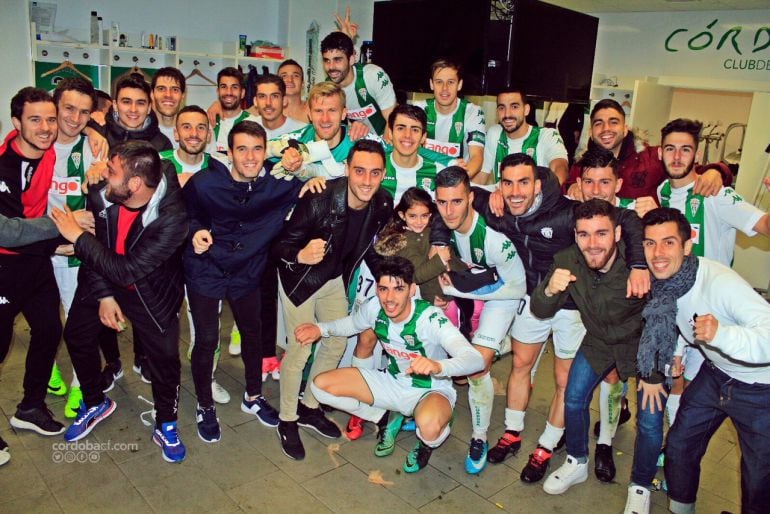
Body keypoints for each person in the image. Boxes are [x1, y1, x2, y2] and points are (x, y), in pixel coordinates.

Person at [432, 153, 649, 483]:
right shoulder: (494, 204)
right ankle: (513, 432)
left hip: (572, 305)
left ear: (537, 184)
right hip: (532, 300)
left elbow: (626, 221)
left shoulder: (566, 211)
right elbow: (448, 205)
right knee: (521, 365)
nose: (515, 191)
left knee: (564, 380)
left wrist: (638, 265)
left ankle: (547, 445)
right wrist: (438, 239)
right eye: (508, 183)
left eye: (523, 182)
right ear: (499, 185)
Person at [51, 141, 189, 463]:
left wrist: (76, 237)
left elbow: (127, 270)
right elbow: (102, 245)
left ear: (136, 184)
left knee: (165, 358)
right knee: (76, 334)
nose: (103, 176)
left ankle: (166, 421)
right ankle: (95, 401)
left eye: (112, 172)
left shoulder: (172, 219)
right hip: (103, 274)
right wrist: (104, 295)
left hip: (151, 289)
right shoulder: (104, 191)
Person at [637, 118, 770, 427]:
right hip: (674, 310)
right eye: (670, 149)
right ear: (660, 153)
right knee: (673, 380)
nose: (677, 157)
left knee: (699, 396)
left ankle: (681, 449)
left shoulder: (716, 194)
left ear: (697, 155)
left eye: (686, 150)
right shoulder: (661, 192)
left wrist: (717, 172)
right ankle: (673, 448)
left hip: (711, 315)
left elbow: (762, 225)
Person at [640, 208, 770, 514]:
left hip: (761, 390)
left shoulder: (720, 283)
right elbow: (682, 320)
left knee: (759, 480)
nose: (657, 253)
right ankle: (681, 509)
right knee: (679, 447)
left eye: (668, 243)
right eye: (649, 243)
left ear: (687, 247)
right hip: (716, 376)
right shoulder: (665, 286)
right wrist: (675, 352)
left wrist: (721, 336)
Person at [301, 256, 484, 473]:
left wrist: (438, 366)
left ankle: (428, 441)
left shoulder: (430, 318)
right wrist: (320, 329)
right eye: (383, 289)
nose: (389, 298)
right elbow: (352, 324)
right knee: (319, 386)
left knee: (429, 428)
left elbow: (475, 360)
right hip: (391, 381)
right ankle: (383, 417)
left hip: (430, 390)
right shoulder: (374, 307)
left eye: (398, 289)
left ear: (412, 289)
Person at [529, 200, 654, 514]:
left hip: (640, 344)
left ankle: (640, 486)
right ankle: (577, 460)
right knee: (573, 398)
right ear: (575, 235)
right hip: (598, 340)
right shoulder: (568, 260)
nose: (593, 243)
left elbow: (667, 309)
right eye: (584, 235)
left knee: (650, 421)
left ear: (618, 233)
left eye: (601, 234)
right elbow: (539, 310)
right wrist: (550, 290)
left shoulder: (640, 263)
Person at [271, 139, 392, 460]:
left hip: (333, 277)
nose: (367, 181)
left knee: (337, 341)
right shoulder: (319, 199)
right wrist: (299, 253)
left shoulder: (381, 202)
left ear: (383, 175)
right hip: (299, 279)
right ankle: (287, 419)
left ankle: (309, 407)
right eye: (360, 171)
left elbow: (375, 249)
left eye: (375, 173)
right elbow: (279, 247)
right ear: (347, 170)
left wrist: (391, 279)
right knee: (299, 348)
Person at [183, 121, 301, 442]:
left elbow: (313, 177)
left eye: (257, 149)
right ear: (229, 152)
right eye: (242, 149)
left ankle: (253, 396)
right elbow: (184, 213)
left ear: (266, 151)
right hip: (205, 269)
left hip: (247, 271)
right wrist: (195, 232)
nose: (250, 157)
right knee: (207, 339)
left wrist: (311, 177)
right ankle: (205, 405)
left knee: (254, 334)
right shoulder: (205, 183)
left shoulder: (278, 184)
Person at [432, 166, 527, 474]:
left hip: (502, 296)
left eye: (457, 202)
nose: (449, 210)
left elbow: (518, 286)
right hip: (471, 290)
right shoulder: (444, 224)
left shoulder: (494, 240)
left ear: (471, 198)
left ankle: (479, 436)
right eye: (442, 202)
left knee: (477, 366)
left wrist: (466, 292)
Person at [47, 77, 120, 418]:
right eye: (68, 109)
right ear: (55, 106)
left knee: (79, 323)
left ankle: (82, 386)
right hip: (40, 249)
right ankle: (46, 373)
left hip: (77, 253)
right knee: (44, 319)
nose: (75, 119)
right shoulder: (35, 142)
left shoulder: (95, 148)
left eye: (84, 113)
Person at [0, 87, 66, 444]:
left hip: (37, 265)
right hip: (4, 267)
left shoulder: (52, 153)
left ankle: (31, 407)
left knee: (48, 331)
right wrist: (65, 226)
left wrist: (93, 130)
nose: (45, 127)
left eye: (50, 119)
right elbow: (8, 232)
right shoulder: (2, 165)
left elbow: (81, 122)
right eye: (35, 119)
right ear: (16, 122)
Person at [564, 99, 731, 199]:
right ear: (591, 132)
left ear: (625, 128)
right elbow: (566, 189)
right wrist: (570, 188)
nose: (606, 128)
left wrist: (716, 171)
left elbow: (688, 171)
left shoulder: (652, 158)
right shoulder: (581, 164)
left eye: (613, 122)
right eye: (598, 123)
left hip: (646, 246)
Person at [412, 59, 486, 179]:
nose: (444, 88)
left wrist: (456, 182)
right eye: (439, 82)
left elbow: (477, 157)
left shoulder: (473, 112)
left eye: (450, 82)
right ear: (431, 84)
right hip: (423, 177)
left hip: (456, 181)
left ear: (459, 84)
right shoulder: (418, 108)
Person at [480, 88, 568, 185]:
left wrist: (541, 195)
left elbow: (560, 169)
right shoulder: (494, 133)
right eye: (502, 108)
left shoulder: (547, 135)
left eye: (514, 107)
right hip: (501, 199)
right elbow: (481, 176)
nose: (507, 114)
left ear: (526, 110)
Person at [321, 31, 396, 136]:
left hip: (383, 141)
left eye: (337, 60)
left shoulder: (372, 75)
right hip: (357, 145)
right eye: (327, 61)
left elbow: (393, 121)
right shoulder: (328, 87)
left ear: (351, 59)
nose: (331, 67)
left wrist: (384, 148)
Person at [103, 73, 173, 152]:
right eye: (126, 102)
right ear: (115, 105)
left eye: (140, 103)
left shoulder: (162, 144)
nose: (133, 109)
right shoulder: (100, 135)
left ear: (149, 108)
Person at [210, 67, 258, 154]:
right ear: (218, 91)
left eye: (234, 87)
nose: (229, 92)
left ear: (242, 93)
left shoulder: (253, 122)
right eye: (224, 87)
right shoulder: (206, 118)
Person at [253, 73, 307, 139]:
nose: (268, 103)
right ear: (255, 101)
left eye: (274, 96)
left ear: (284, 100)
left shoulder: (302, 132)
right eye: (262, 96)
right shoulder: (245, 129)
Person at [151, 67, 187, 147]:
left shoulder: (197, 131)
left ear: (183, 95)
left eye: (175, 89)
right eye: (161, 89)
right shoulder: (141, 131)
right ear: (152, 94)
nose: (168, 95)